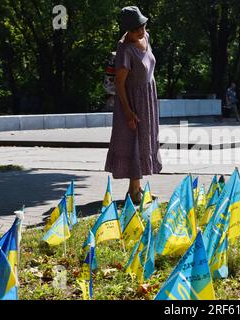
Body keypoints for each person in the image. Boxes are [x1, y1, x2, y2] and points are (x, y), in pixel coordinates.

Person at [105, 6, 162, 205]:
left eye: (143, 25)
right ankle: (135, 192)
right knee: (134, 143)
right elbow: (119, 83)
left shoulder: (146, 38)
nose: (141, 30)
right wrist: (128, 112)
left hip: (148, 98)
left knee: (144, 142)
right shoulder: (125, 49)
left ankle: (135, 189)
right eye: (136, 28)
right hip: (132, 101)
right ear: (127, 30)